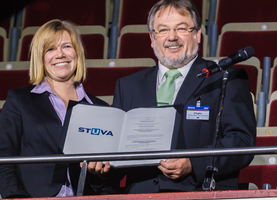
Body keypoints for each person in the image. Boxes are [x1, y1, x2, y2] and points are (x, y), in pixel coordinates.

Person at [110, 0, 256, 193]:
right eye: (163, 30)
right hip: (141, 194)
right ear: (152, 38)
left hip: (200, 193)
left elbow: (242, 141)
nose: (172, 37)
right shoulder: (128, 86)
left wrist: (194, 163)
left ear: (197, 34)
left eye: (181, 29)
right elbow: (115, 150)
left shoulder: (226, 78)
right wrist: (101, 168)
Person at [0, 19, 110, 198]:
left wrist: (99, 174)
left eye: (67, 46)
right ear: (40, 57)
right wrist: (15, 197)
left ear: (77, 53)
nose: (60, 54)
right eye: (50, 49)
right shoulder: (19, 100)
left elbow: (108, 177)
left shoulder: (99, 107)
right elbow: (2, 160)